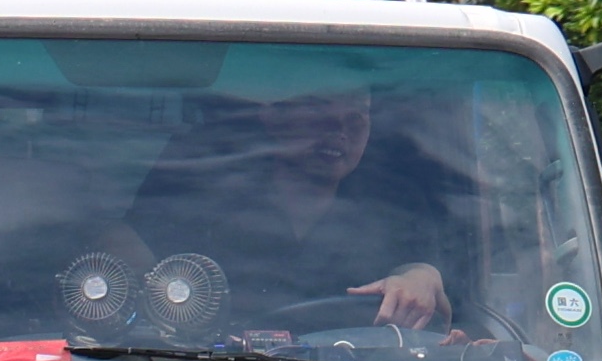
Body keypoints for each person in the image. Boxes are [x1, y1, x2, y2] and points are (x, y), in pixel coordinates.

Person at [110, 72, 469, 337]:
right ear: (273, 116)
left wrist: (422, 277)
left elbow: (436, 281)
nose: (338, 132)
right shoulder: (201, 190)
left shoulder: (393, 204)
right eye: (319, 113)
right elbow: (119, 253)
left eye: (355, 119)